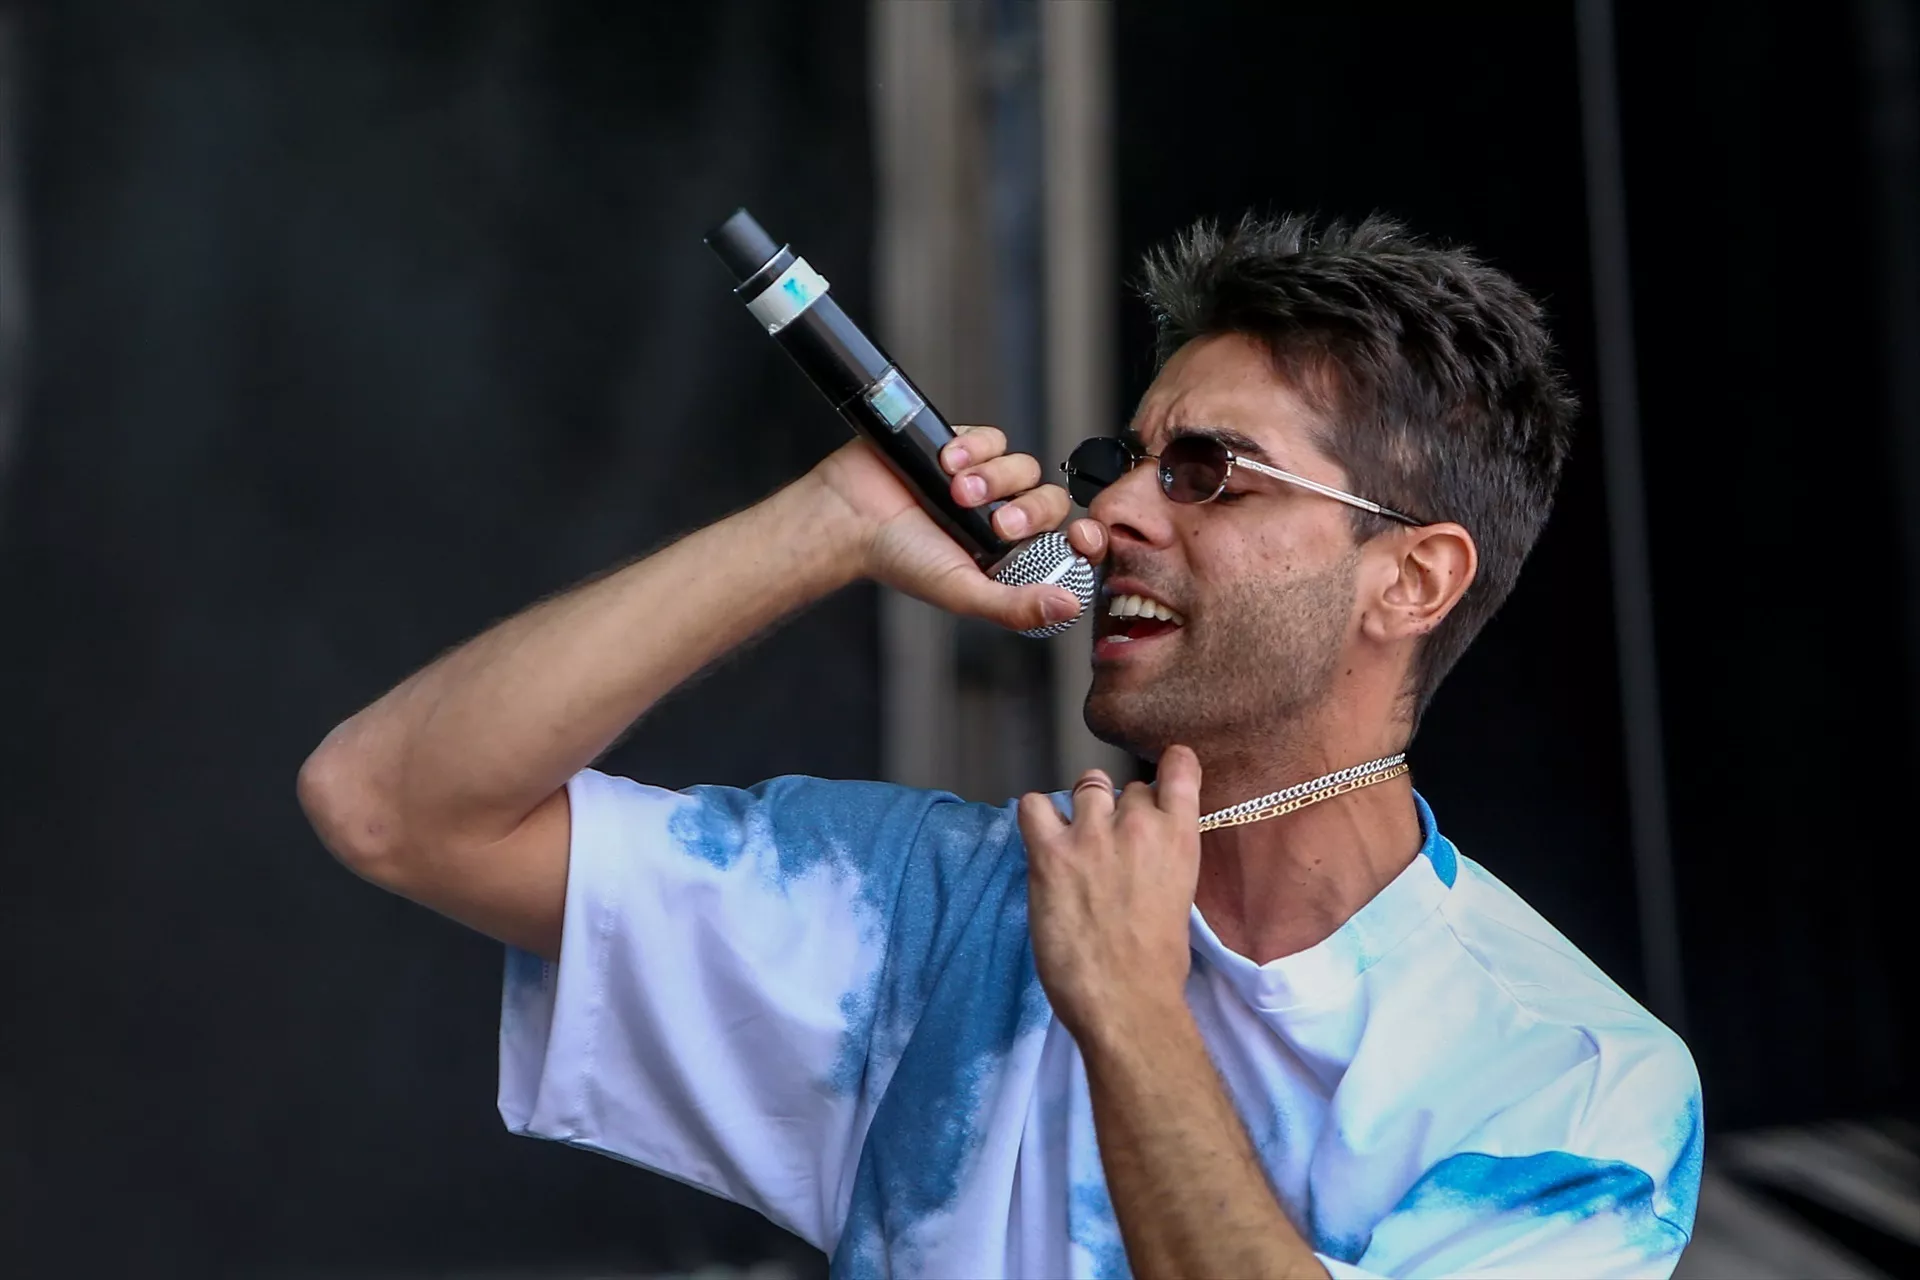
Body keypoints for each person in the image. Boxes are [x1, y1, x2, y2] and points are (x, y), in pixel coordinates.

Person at [299, 213, 1702, 1279]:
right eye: (1122, 464)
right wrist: (828, 523)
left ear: (1411, 580)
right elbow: (389, 804)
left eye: (1206, 471)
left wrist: (1134, 1015)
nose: (1108, 520)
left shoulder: (1570, 1082)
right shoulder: (952, 913)